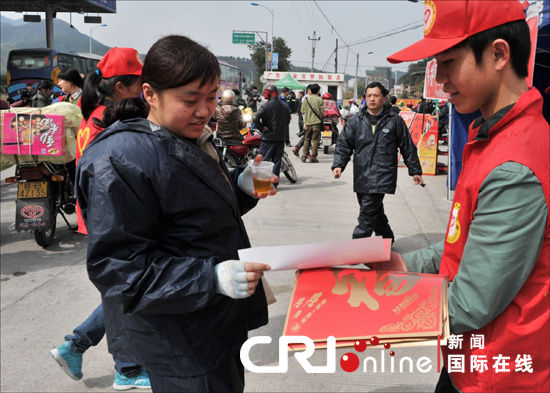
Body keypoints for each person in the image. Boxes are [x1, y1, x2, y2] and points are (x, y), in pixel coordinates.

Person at [75, 34, 276, 393]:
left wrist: (238, 186)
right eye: (190, 100)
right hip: (178, 339)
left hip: (213, 323)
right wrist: (210, 277)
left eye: (212, 98)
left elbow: (192, 210)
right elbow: (119, 268)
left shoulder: (186, 135)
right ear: (149, 94)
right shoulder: (120, 160)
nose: (204, 111)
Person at [382, 1, 550, 392]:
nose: (440, 80)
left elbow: (470, 303)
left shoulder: (514, 165)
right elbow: (467, 246)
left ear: (498, 54)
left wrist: (367, 306)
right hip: (472, 360)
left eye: (449, 62)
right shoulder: (492, 137)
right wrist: (403, 264)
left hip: (499, 374)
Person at [50, 47, 150, 391]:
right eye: (139, 83)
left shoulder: (97, 112)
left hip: (103, 216)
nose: (144, 89)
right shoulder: (107, 121)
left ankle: (76, 346)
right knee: (123, 289)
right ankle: (123, 366)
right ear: (121, 86)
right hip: (108, 218)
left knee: (123, 288)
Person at [332, 81, 423, 242]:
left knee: (367, 213)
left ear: (384, 98)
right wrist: (339, 164)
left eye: (376, 95)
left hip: (383, 174)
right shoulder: (356, 121)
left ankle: (357, 246)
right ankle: (386, 238)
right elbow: (344, 144)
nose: (372, 99)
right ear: (364, 98)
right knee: (373, 210)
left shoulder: (395, 121)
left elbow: (407, 146)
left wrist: (415, 170)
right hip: (362, 173)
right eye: (369, 96)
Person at [254, 84, 291, 185]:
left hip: (268, 139)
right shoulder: (284, 106)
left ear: (269, 93)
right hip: (280, 139)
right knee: (276, 162)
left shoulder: (266, 105)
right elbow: (288, 121)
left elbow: (255, 118)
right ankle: (274, 184)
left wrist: (262, 128)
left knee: (264, 161)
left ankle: (263, 183)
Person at [300, 83, 324, 163]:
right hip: (316, 123)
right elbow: (322, 113)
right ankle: (313, 157)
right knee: (315, 140)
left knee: (307, 139)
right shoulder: (320, 99)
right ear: (317, 91)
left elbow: (302, 111)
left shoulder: (305, 99)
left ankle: (304, 155)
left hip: (307, 123)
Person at [291, 90, 305, 156]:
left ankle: (297, 147)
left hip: (306, 119)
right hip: (310, 121)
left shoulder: (304, 99)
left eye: (299, 94)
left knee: (307, 136)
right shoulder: (301, 99)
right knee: (308, 136)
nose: (298, 95)